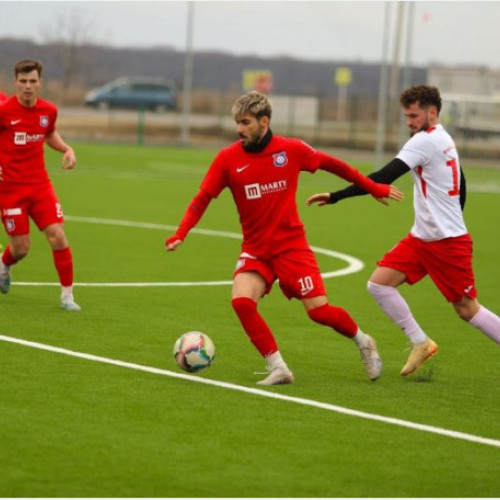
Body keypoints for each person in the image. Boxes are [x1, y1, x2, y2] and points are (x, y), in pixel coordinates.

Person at [165, 91, 403, 385]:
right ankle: (278, 367)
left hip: (291, 247)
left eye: (246, 122)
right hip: (256, 250)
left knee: (319, 312)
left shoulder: (290, 150)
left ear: (264, 121)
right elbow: (202, 198)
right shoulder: (227, 159)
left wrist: (373, 187)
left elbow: (335, 165)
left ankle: (364, 341)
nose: (239, 129)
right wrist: (181, 232)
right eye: (237, 123)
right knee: (241, 301)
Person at [307, 84, 500, 376]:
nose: (409, 122)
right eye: (406, 116)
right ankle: (420, 342)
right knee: (379, 284)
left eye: (413, 115)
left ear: (431, 112)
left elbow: (385, 175)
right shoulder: (443, 137)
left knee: (466, 309)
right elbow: (462, 183)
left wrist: (337, 196)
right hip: (423, 238)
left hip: (447, 242)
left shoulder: (424, 141)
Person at [0, 59, 81, 311]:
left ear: (40, 82)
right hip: (10, 190)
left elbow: (48, 134)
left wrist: (66, 148)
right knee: (21, 249)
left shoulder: (48, 111)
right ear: (16, 83)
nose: (27, 86)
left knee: (58, 236)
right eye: (23, 81)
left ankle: (67, 297)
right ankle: (4, 265)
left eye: (32, 81)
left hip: (39, 186)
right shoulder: (4, 112)